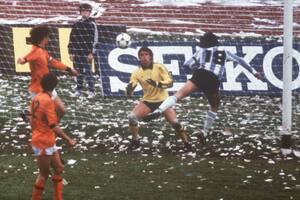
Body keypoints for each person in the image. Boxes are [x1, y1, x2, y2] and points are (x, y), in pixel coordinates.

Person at [144, 32, 262, 144]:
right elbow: (240, 60)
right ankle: (204, 132)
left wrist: (196, 68)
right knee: (214, 106)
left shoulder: (201, 51)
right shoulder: (224, 50)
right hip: (213, 79)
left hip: (200, 74)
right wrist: (254, 72)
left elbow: (187, 64)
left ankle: (159, 110)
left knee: (178, 95)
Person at [126, 46, 191, 150]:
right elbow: (130, 89)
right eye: (141, 55)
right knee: (132, 117)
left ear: (151, 56)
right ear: (139, 58)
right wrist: (129, 91)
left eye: (146, 54)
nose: (144, 57)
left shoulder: (159, 67)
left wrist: (157, 84)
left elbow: (170, 83)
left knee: (175, 123)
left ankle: (187, 143)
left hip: (164, 102)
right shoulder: (136, 72)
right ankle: (135, 140)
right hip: (148, 101)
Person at [30, 73, 76, 200]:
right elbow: (53, 126)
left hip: (45, 139)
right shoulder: (48, 102)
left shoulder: (37, 97)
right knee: (43, 174)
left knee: (59, 168)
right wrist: (69, 140)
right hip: (43, 142)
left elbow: (30, 119)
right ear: (55, 86)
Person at [17, 24, 78, 120]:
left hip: (48, 86)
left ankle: (43, 123)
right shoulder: (35, 51)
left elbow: (53, 62)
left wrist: (69, 69)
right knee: (45, 113)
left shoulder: (43, 51)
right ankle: (31, 116)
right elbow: (25, 59)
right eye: (47, 37)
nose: (49, 39)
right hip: (39, 88)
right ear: (42, 38)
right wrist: (22, 60)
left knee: (61, 110)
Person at [68, 3, 98, 98]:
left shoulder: (92, 24)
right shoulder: (76, 24)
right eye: (83, 11)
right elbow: (72, 38)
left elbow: (95, 39)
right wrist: (71, 51)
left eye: (87, 11)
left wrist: (91, 53)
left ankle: (91, 91)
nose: (85, 13)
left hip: (87, 52)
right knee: (78, 72)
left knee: (88, 72)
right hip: (77, 52)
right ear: (80, 12)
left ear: (90, 13)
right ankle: (79, 90)